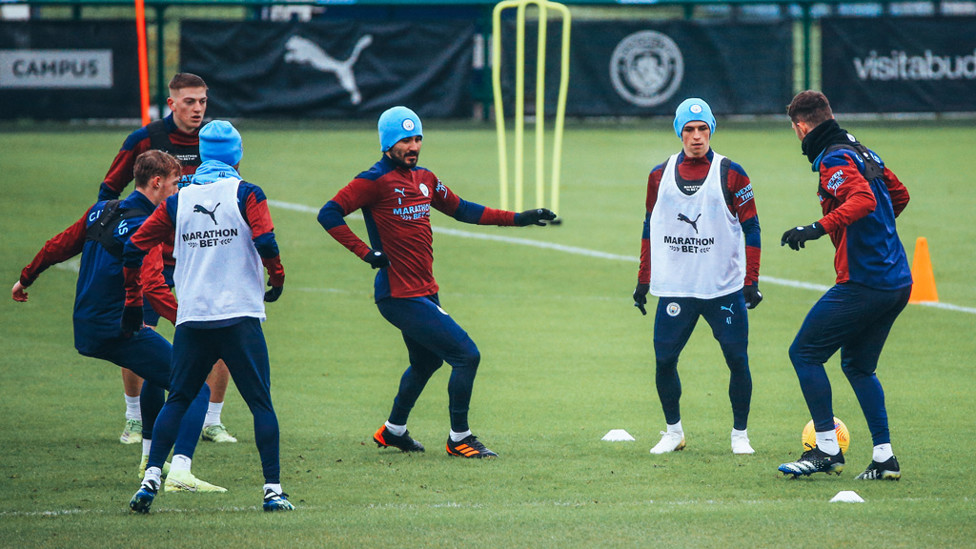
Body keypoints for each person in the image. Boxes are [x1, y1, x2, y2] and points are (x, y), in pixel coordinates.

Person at [318, 106, 556, 459]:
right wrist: (366, 253)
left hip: (425, 291)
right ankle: (460, 437)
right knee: (466, 355)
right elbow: (329, 213)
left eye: (417, 139)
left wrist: (520, 218)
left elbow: (464, 210)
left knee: (426, 362)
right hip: (398, 295)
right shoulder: (372, 180)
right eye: (405, 140)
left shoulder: (425, 178)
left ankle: (393, 430)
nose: (413, 146)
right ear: (387, 143)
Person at [12, 150, 223, 492]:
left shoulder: (102, 210)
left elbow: (57, 246)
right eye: (175, 183)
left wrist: (26, 278)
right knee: (196, 387)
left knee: (158, 373)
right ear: (157, 182)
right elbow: (154, 287)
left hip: (86, 326)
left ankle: (150, 460)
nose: (178, 191)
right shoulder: (145, 226)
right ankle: (181, 473)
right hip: (117, 329)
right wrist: (189, 322)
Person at [125, 121, 293, 513]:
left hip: (193, 318)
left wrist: (133, 299)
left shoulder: (177, 200)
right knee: (261, 404)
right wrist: (278, 276)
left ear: (202, 154)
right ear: (237, 154)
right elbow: (265, 240)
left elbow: (134, 247)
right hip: (239, 318)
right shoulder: (247, 192)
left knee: (179, 399)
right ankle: (272, 491)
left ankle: (151, 478)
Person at [777, 90, 911, 480]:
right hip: (897, 280)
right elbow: (898, 196)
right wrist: (873, 235)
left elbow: (864, 200)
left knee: (804, 353)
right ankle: (884, 457)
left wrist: (817, 228)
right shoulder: (863, 151)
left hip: (865, 281)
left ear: (802, 127)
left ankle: (826, 449)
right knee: (858, 366)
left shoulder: (834, 158)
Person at [101, 72, 237, 446]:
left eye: (203, 101)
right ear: (172, 103)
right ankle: (134, 419)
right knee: (139, 334)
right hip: (151, 257)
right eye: (189, 101)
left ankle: (211, 420)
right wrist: (115, 236)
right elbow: (109, 190)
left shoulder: (215, 140)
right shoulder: (144, 140)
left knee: (219, 330)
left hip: (199, 255)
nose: (198, 109)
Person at [632, 97, 762, 456]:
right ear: (679, 132)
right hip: (677, 288)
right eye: (689, 129)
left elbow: (752, 228)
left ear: (711, 131)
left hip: (723, 289)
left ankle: (740, 435)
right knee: (664, 360)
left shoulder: (732, 173)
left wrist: (751, 281)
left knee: (737, 360)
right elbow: (649, 226)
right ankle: (674, 432)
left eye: (703, 128)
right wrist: (643, 278)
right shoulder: (658, 175)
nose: (696, 136)